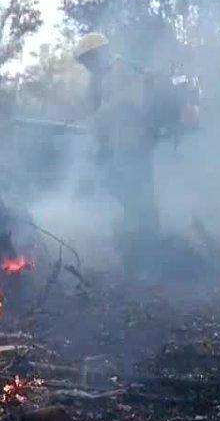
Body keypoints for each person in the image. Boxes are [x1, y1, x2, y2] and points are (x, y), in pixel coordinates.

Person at [73, 32, 200, 264]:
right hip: (121, 145)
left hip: (136, 143)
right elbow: (99, 113)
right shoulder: (103, 78)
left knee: (138, 188)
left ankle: (149, 241)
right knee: (121, 184)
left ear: (98, 54)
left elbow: (125, 104)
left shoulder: (121, 70)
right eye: (84, 62)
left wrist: (102, 118)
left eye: (88, 59)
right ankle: (142, 232)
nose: (87, 66)